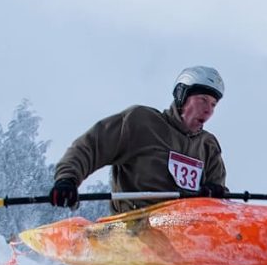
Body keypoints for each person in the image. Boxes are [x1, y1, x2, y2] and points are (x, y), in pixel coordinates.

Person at [49, 66, 229, 213]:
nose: (208, 110)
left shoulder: (208, 146)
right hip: (135, 225)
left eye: (213, 104)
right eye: (203, 100)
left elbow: (218, 194)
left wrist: (216, 193)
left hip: (185, 228)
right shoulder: (141, 123)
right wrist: (67, 180)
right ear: (182, 96)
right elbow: (90, 147)